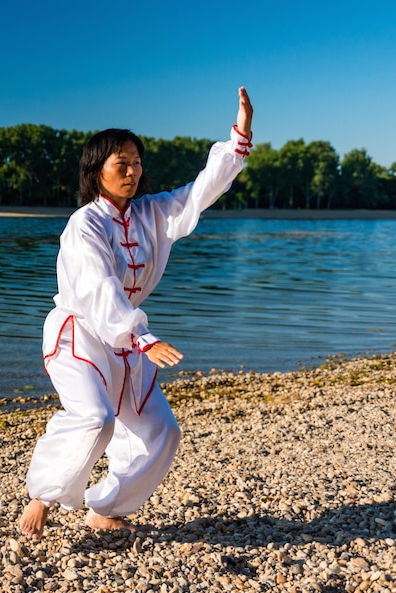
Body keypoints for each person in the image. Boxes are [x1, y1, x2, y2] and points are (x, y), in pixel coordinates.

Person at [19, 87, 253, 540]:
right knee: (95, 417)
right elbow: (97, 288)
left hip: (127, 342)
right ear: (96, 172)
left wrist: (239, 135)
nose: (131, 171)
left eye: (136, 162)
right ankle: (43, 494)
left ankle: (105, 507)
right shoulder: (84, 225)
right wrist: (141, 336)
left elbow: (201, 191)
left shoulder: (152, 213)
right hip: (80, 334)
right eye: (120, 164)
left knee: (161, 431)